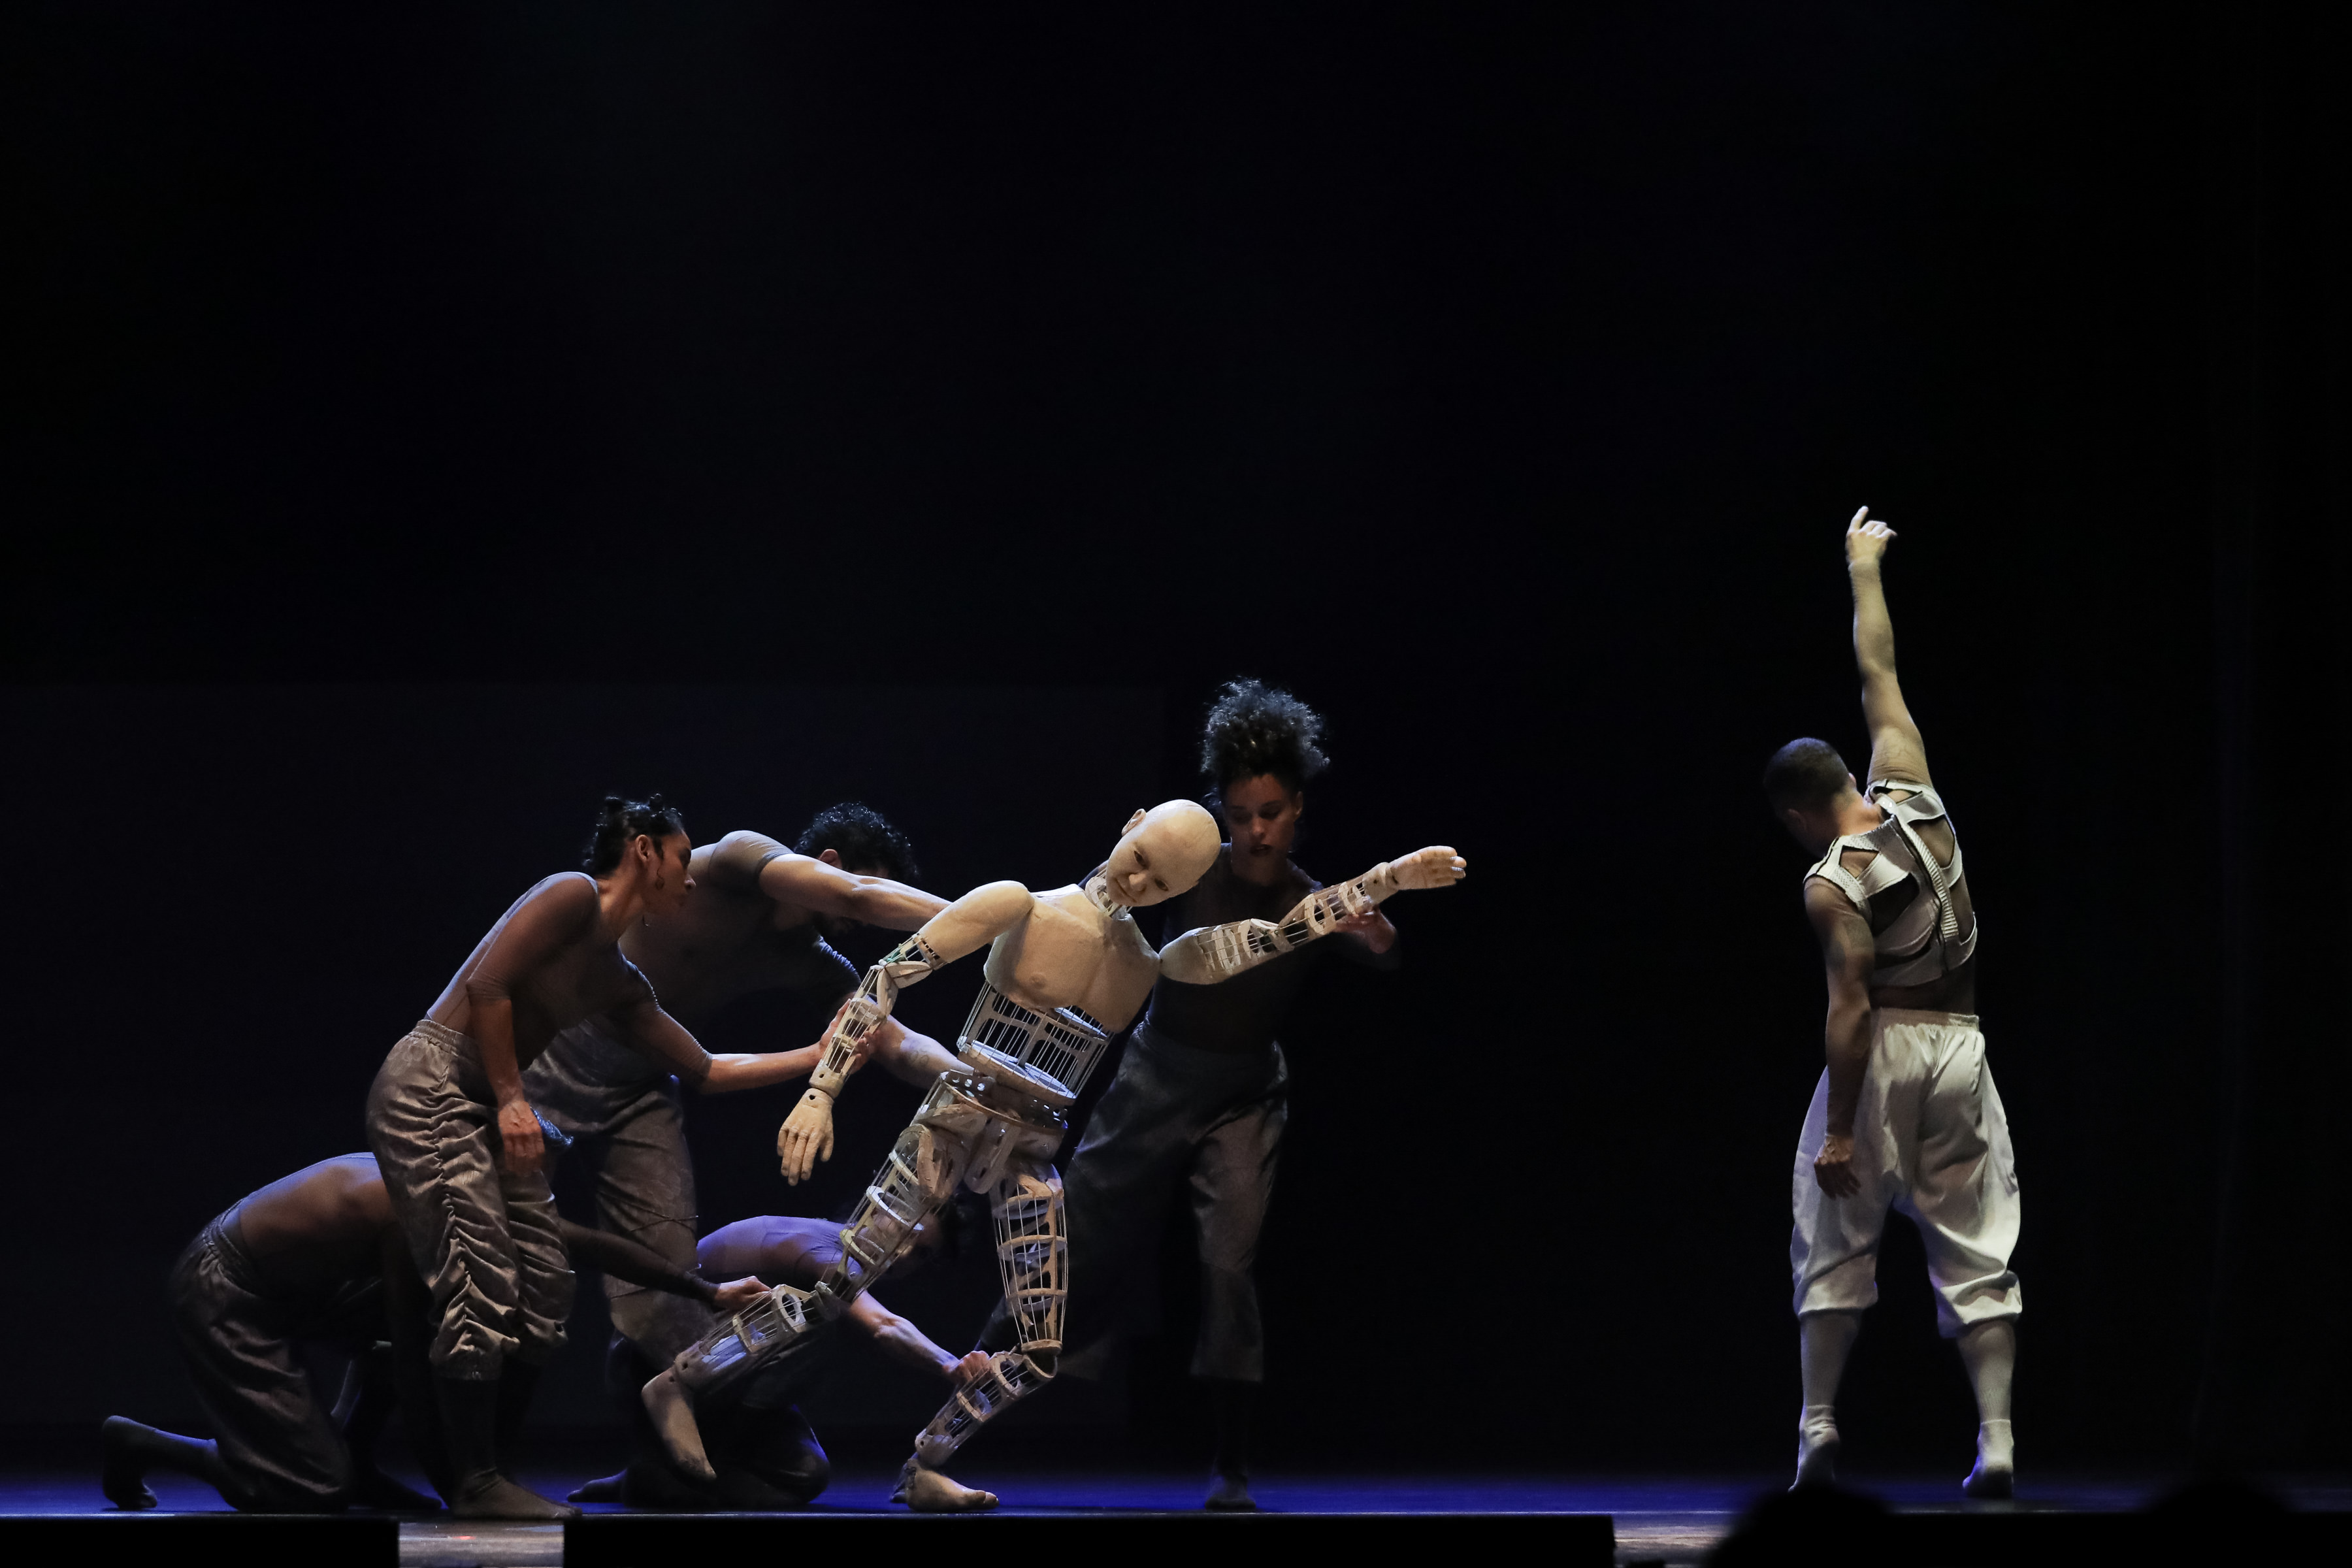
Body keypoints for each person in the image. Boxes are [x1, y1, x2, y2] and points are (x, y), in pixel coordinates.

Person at [645, 800, 1463, 1511]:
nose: (1142, 883)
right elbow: (890, 974)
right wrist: (822, 1089)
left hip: (1032, 1146)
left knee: (1039, 1348)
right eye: (1142, 859)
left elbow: (1275, 934)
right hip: (953, 1120)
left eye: (1165, 882)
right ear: (1129, 828)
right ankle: (680, 1380)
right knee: (836, 1288)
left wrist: (1382, 880)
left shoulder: (1151, 963)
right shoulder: (1020, 905)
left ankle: (926, 1463)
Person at [1006, 679, 1406, 1510]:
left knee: (1229, 1266)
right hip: (1158, 1073)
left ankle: (1231, 1463)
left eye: (1271, 813)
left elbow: (1382, 951)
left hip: (1244, 1093)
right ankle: (970, 1400)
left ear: (1297, 810)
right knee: (1074, 1225)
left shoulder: (1309, 901)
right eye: (1241, 813)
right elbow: (1096, 902)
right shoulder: (1191, 874)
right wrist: (1117, 865)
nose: (1256, 830)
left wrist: (1375, 934)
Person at [522, 802, 961, 1500]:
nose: (862, 925)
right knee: (502, 1247)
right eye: (868, 902)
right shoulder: (737, 861)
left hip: (646, 1081)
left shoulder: (817, 964)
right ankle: (468, 1459)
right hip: (557, 1051)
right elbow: (858, 899)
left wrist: (967, 1076)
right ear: (831, 866)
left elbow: (887, 1038)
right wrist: (992, 918)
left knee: (665, 1281)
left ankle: (652, 1459)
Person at [365, 794, 745, 1519]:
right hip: (433, 1084)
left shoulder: (618, 979)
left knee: (544, 1281)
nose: (691, 881)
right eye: (683, 860)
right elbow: (487, 985)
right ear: (643, 851)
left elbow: (707, 1070)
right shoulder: (568, 893)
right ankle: (475, 1483)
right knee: (482, 1276)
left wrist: (825, 1056)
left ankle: (489, 1473)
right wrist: (513, 1098)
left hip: (480, 1103)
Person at [1763, 508, 2021, 1499]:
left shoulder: (1832, 879)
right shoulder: (1915, 791)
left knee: (1833, 1229)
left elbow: (1850, 1009)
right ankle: (1996, 1436)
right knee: (1976, 1233)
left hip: (1890, 1050)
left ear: (1795, 813)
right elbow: (1880, 671)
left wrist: (1839, 1131)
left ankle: (1817, 1428)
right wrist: (1863, 565)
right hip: (1965, 1044)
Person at [99, 1152, 764, 1513]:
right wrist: (461, 1481)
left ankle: (352, 1460)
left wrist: (706, 1289)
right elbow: (413, 1345)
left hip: (301, 1284)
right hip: (226, 1288)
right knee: (313, 1491)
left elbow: (583, 1242)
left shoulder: (473, 1187)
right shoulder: (415, 1207)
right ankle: (147, 1444)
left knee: (471, 1300)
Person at [572, 1209, 992, 1509]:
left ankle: (654, 1476)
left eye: (921, 1253)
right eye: (905, 1231)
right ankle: (660, 1472)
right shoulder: (817, 1247)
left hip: (723, 1388)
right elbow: (883, 1325)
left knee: (806, 1473)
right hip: (650, 1365)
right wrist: (950, 1365)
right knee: (819, 1315)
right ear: (882, 1208)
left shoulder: (846, 1264)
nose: (903, 1254)